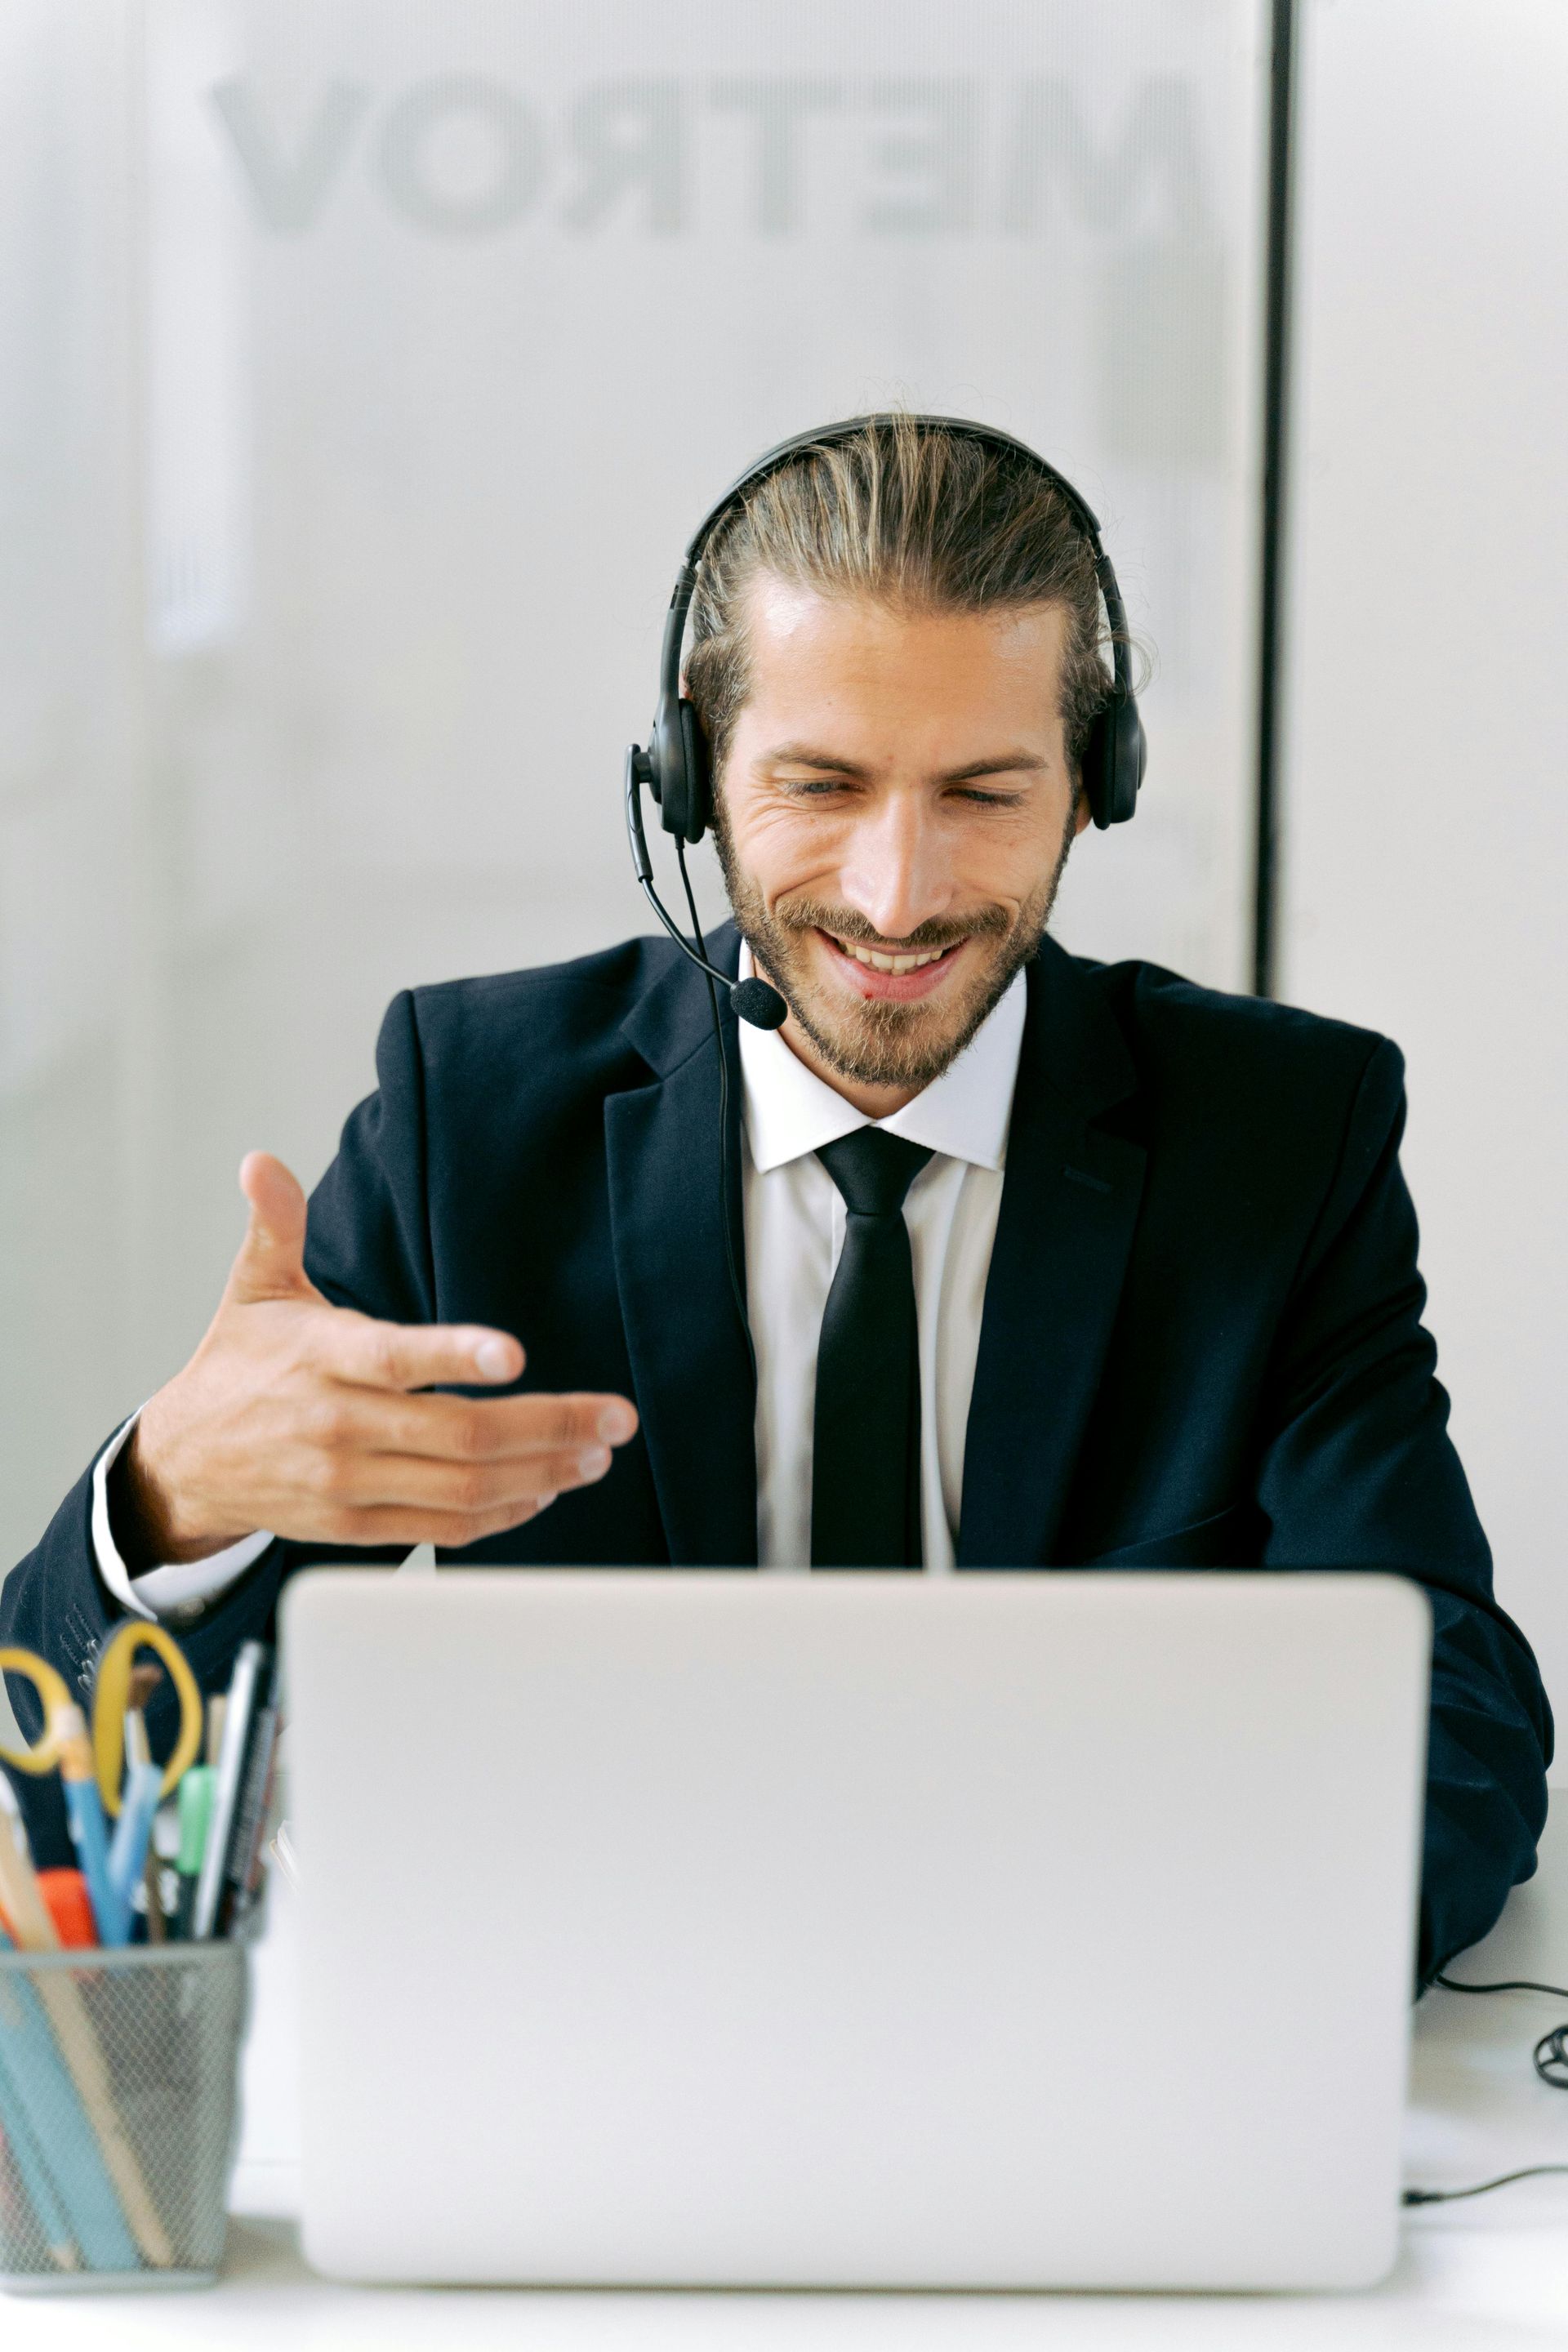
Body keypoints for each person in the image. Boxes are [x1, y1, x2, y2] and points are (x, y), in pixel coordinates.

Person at [2, 415, 1550, 1979]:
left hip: (1086, 2024)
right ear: (688, 779)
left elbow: (1457, 1719)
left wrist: (1152, 1979)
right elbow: (76, 1802)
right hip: (601, 2030)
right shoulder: (468, 1120)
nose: (899, 892)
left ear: (1099, 785)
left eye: (984, 794)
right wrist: (176, 1497)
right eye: (821, 785)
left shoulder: (1281, 1140)